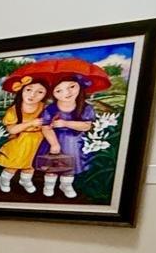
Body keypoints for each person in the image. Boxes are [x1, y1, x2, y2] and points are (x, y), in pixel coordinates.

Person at [33, 63, 106, 199]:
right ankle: (49, 185)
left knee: (70, 168)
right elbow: (45, 127)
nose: (66, 93)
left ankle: (66, 185)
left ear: (80, 87)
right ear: (52, 93)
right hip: (54, 140)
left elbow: (86, 126)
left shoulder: (86, 108)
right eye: (59, 90)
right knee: (52, 167)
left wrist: (66, 123)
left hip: (74, 142)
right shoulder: (51, 109)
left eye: (71, 87)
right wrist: (54, 144)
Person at [0, 73, 50, 193]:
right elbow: (11, 129)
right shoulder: (14, 110)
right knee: (13, 164)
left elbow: (48, 123)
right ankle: (3, 180)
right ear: (21, 90)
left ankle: (25, 180)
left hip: (37, 141)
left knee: (30, 165)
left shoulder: (43, 107)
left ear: (45, 95)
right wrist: (30, 123)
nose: (32, 95)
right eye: (28, 89)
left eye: (40, 92)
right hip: (19, 141)